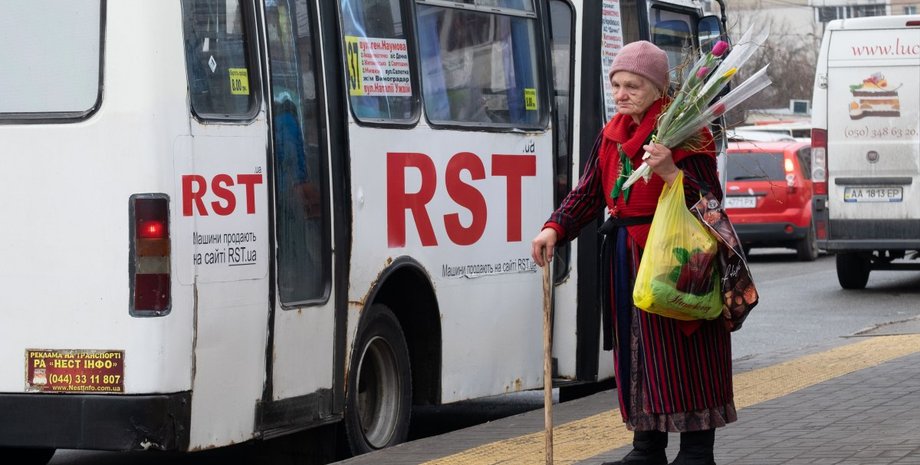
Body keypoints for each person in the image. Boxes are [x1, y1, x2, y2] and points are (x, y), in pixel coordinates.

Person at [530, 41, 735, 465]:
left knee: (684, 350)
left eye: (633, 86)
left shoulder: (686, 132)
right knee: (637, 350)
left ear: (659, 89)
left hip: (679, 258)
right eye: (617, 85)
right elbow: (588, 192)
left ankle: (697, 451)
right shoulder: (611, 135)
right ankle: (647, 448)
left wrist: (670, 172)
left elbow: (710, 202)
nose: (622, 94)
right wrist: (556, 228)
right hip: (627, 256)